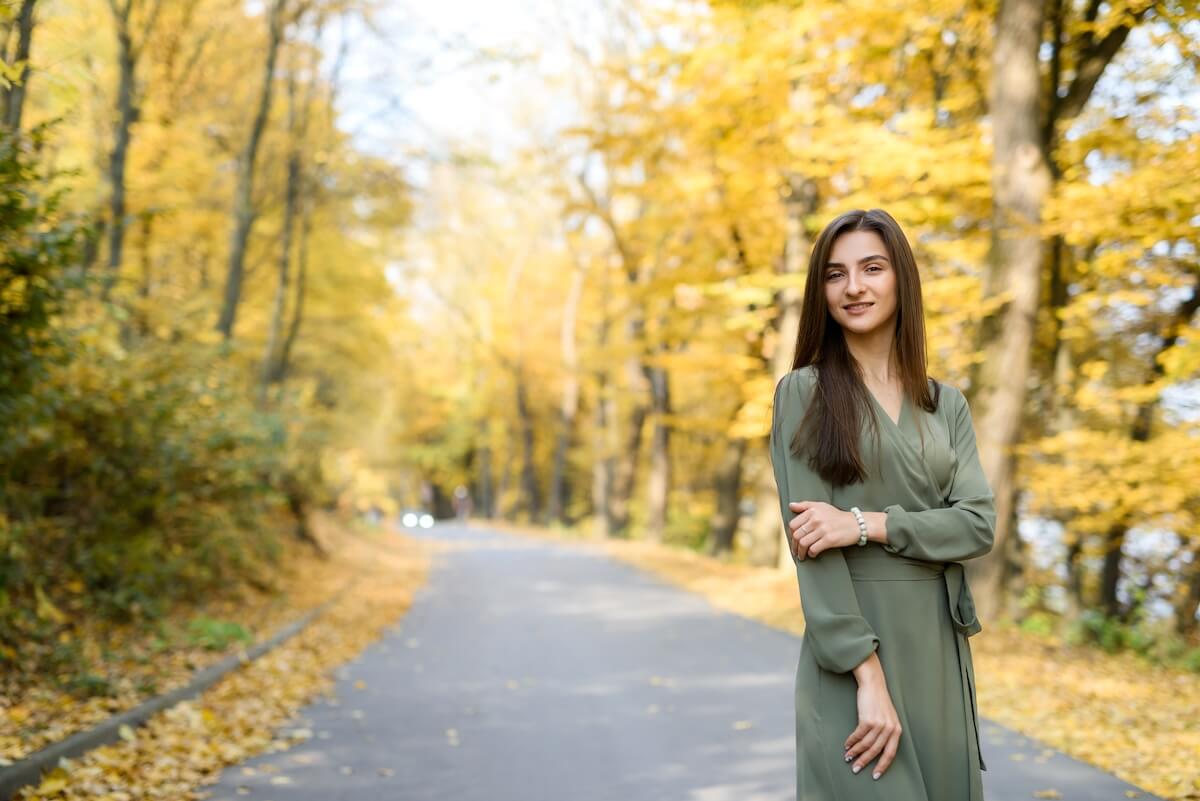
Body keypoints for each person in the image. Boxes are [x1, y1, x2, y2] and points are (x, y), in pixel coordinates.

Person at [768, 208, 996, 801]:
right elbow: (811, 548)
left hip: (939, 652)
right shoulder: (803, 394)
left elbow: (976, 525)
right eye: (835, 274)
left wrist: (864, 524)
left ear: (902, 280)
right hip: (853, 652)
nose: (854, 287)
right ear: (821, 290)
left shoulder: (946, 405)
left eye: (872, 268)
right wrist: (865, 676)